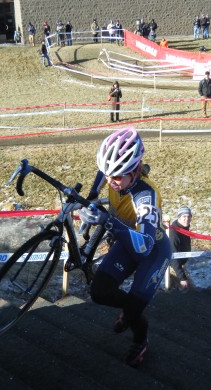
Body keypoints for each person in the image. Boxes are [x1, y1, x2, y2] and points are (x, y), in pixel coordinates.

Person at [79, 127, 171, 367]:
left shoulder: (146, 197)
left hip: (153, 250)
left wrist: (108, 221)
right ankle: (130, 307)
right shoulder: (114, 174)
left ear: (135, 171)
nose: (111, 180)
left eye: (118, 177)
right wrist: (90, 196)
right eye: (109, 174)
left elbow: (144, 247)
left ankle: (141, 339)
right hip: (128, 240)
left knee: (133, 311)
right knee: (99, 292)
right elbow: (103, 173)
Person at [169, 206, 193, 290]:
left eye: (189, 216)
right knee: (186, 288)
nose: (187, 219)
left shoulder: (184, 228)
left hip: (181, 263)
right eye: (184, 216)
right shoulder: (174, 233)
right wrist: (182, 278)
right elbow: (173, 257)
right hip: (172, 265)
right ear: (179, 217)